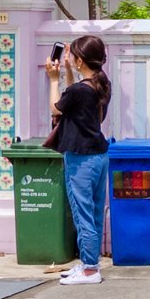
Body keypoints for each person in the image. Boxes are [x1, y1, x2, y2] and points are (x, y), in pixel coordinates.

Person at [44, 34, 112, 285]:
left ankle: (90, 270)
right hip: (99, 156)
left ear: (80, 60)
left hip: (80, 160)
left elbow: (56, 107)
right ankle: (88, 264)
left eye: (72, 56)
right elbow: (73, 95)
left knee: (82, 214)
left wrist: (53, 79)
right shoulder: (100, 85)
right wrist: (71, 72)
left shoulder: (80, 91)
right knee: (93, 213)